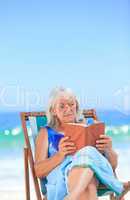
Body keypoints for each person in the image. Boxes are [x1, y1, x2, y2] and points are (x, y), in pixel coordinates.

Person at [34, 87, 130, 200]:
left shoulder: (91, 126)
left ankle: (72, 197)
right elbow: (39, 171)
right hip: (61, 180)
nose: (68, 109)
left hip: (87, 176)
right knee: (88, 161)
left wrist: (108, 149)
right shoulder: (46, 133)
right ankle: (117, 186)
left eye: (71, 104)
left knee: (87, 166)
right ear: (53, 111)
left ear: (77, 106)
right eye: (62, 106)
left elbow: (112, 166)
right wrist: (60, 155)